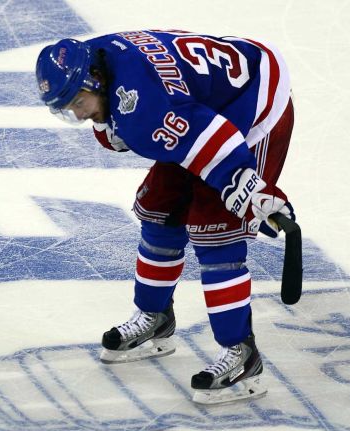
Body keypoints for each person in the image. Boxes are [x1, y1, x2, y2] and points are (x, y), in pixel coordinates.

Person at [35, 29, 295, 404]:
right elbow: (175, 122)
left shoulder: (143, 109)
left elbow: (217, 143)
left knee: (216, 232)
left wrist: (251, 189)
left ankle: (242, 355)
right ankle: (155, 317)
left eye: (79, 101)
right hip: (195, 104)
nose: (78, 114)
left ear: (96, 81)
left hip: (252, 100)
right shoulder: (97, 59)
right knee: (160, 213)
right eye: (67, 109)